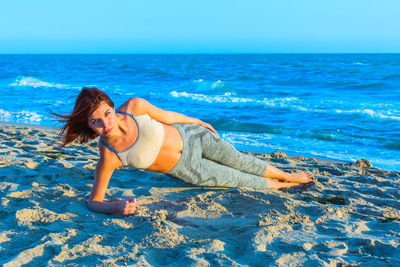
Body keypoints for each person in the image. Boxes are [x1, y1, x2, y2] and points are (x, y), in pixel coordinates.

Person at [54, 87, 314, 216]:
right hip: (189, 170)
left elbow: (167, 116)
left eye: (107, 114)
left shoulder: (134, 106)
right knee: (239, 180)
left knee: (241, 160)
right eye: (95, 121)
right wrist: (117, 206)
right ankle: (283, 187)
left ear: (112, 106)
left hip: (194, 137)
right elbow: (93, 202)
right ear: (87, 124)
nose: (105, 124)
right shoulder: (109, 153)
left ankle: (290, 176)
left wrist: (198, 122)